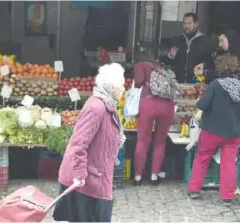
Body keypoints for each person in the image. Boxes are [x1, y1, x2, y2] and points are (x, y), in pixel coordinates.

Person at [53, 63, 126, 222]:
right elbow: (78, 144)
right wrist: (79, 174)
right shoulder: (96, 108)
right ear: (111, 87)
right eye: (121, 85)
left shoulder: (108, 107)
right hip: (85, 182)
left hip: (97, 178)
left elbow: (100, 139)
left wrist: (116, 140)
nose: (123, 89)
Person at [187, 54, 240, 207]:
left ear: (220, 68)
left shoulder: (216, 85)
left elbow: (202, 105)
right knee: (229, 163)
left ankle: (194, 189)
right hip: (234, 132)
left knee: (203, 157)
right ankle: (227, 197)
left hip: (212, 130)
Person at [132, 61, 175, 186]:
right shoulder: (161, 68)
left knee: (143, 141)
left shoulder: (140, 65)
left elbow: (139, 82)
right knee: (160, 141)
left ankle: (138, 176)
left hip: (148, 103)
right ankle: (154, 175)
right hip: (167, 105)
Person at [161, 12, 216, 83]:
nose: (186, 26)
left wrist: (203, 67)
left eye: (189, 23)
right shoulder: (178, 40)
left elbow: (211, 64)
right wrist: (170, 56)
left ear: (196, 24)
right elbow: (168, 62)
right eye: (184, 23)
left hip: (197, 83)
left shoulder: (206, 42)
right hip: (178, 83)